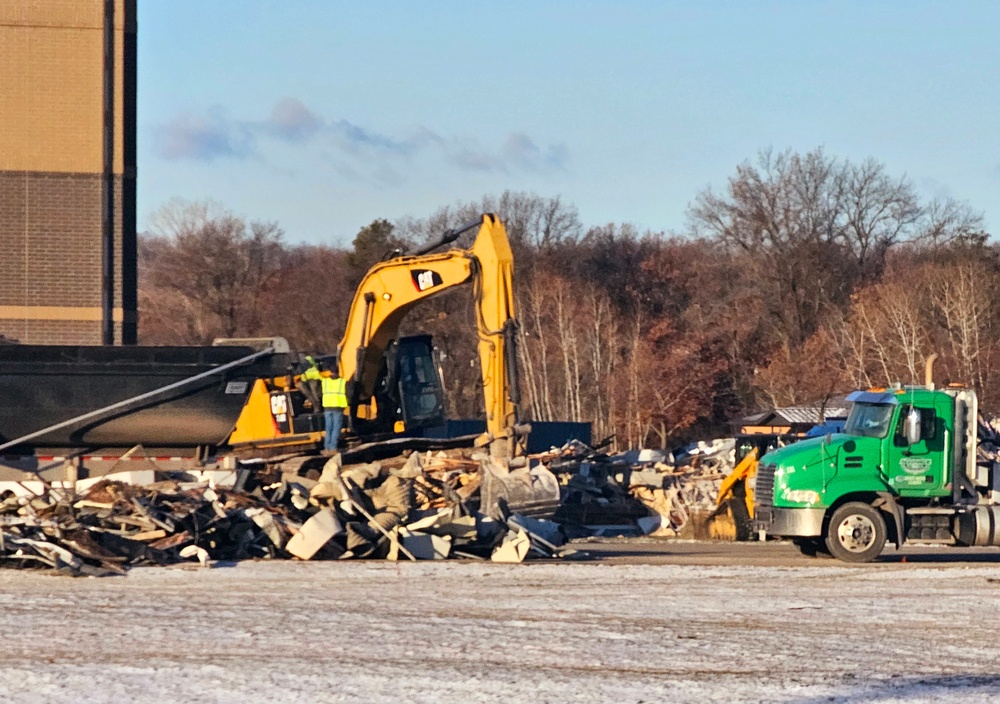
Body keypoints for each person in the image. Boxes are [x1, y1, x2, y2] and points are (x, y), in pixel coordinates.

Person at [321, 365, 348, 452]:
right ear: (338, 371)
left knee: (328, 428)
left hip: (327, 407)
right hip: (338, 407)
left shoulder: (324, 382)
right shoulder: (342, 382)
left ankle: (327, 447)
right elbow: (348, 392)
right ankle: (333, 447)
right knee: (336, 428)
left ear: (330, 372)